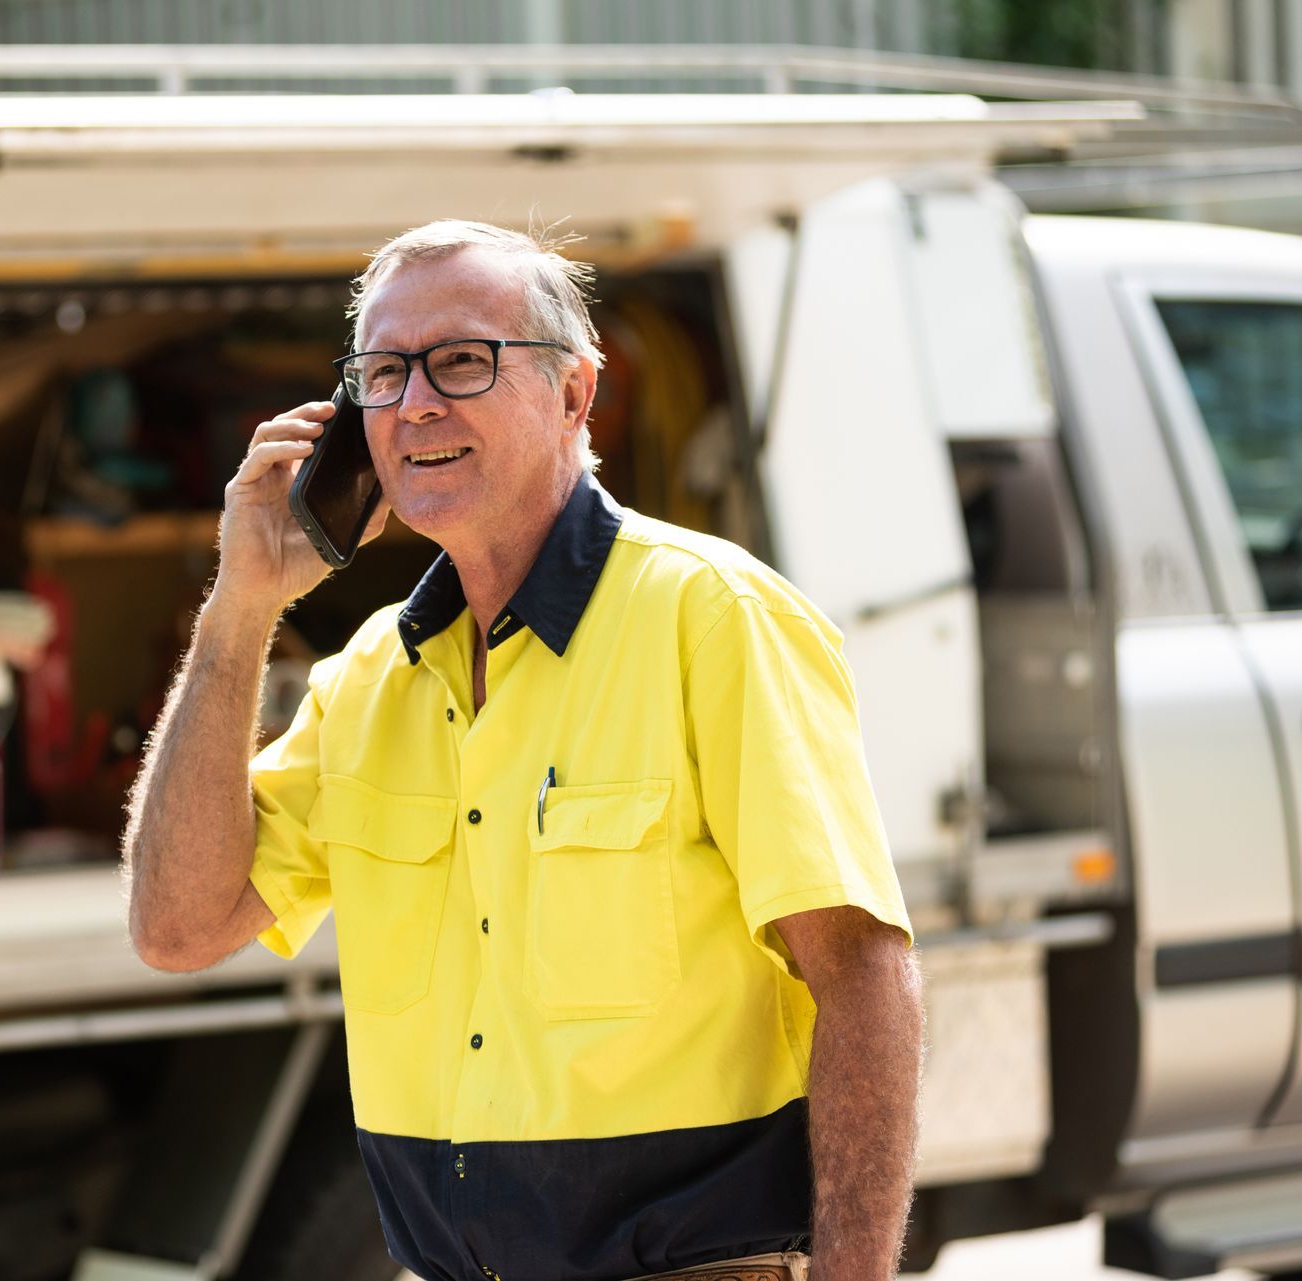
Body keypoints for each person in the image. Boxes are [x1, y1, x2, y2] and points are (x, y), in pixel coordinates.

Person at [125, 220, 923, 1281]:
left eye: (461, 361)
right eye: (382, 374)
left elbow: (863, 974)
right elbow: (178, 927)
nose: (415, 404)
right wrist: (240, 608)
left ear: (574, 393)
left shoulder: (715, 618)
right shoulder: (369, 680)